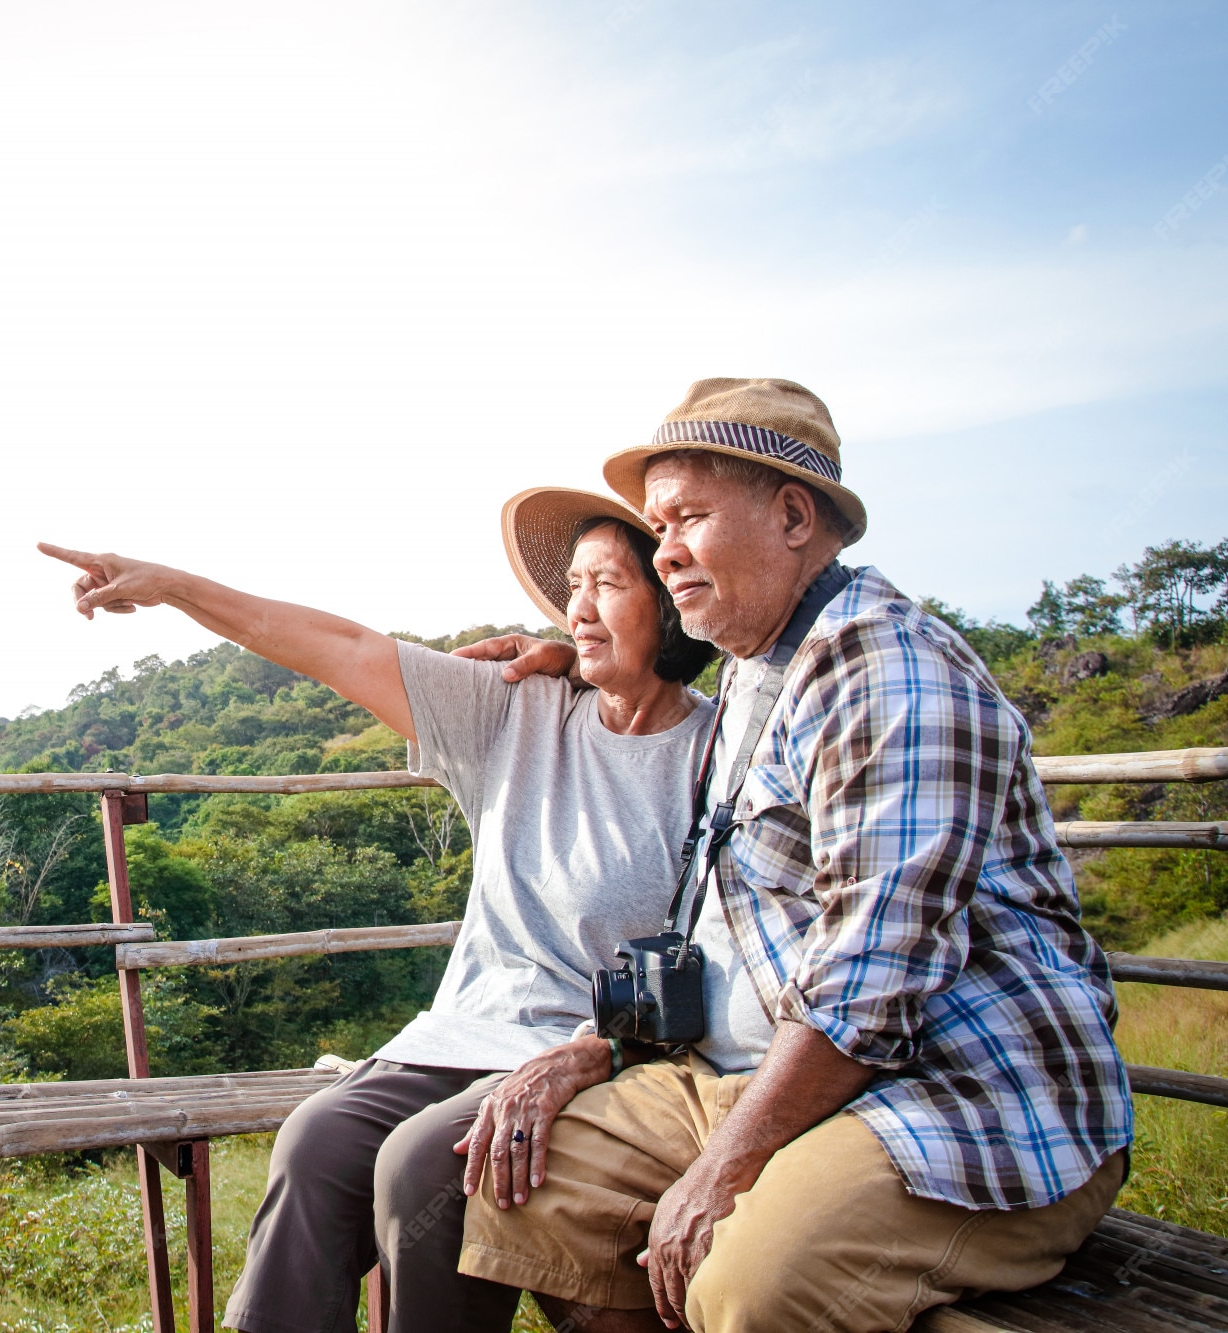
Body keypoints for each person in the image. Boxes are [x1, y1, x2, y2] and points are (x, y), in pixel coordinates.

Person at [454, 378, 1133, 1333]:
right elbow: (708, 920)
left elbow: (873, 974)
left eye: (688, 516)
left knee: (748, 1283)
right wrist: (594, 1047)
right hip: (764, 1069)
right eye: (657, 528)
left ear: (793, 516)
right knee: (528, 1188)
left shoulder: (887, 671)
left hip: (960, 1093)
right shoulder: (754, 671)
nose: (667, 552)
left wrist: (727, 1160)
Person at [37, 484, 718, 1333]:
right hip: (461, 1034)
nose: (578, 609)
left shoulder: (718, 756)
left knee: (427, 1168)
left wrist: (601, 1050)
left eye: (608, 585)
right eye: (571, 585)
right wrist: (174, 585)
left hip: (600, 1058)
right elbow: (341, 647)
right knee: (316, 1143)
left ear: (672, 603)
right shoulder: (517, 707)